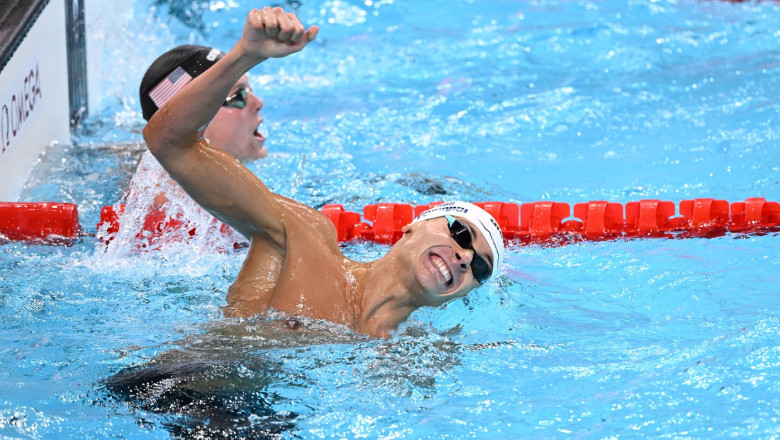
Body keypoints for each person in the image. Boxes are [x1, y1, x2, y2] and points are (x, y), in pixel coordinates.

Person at [143, 6, 505, 338]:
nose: (466, 257)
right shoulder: (303, 238)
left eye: (481, 269)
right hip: (165, 395)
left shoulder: (409, 362)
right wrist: (246, 55)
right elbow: (169, 143)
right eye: (461, 233)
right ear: (413, 226)